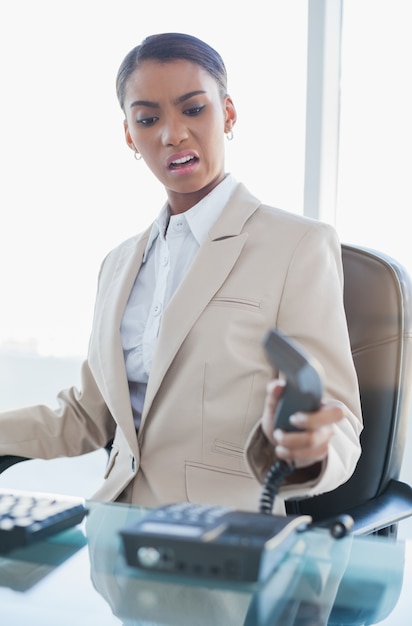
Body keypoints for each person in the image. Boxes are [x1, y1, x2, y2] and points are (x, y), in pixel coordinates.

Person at [0, 33, 362, 514]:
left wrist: (309, 447)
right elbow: (89, 416)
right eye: (148, 119)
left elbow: (338, 420)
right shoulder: (118, 264)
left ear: (228, 113)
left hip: (221, 542)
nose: (172, 134)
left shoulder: (297, 246)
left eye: (194, 110)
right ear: (130, 135)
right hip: (112, 533)